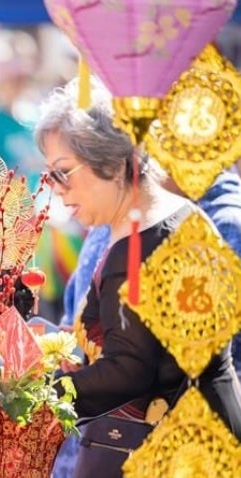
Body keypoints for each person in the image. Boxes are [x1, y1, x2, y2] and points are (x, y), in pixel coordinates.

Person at [35, 79, 241, 478]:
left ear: (111, 164)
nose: (55, 190)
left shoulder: (137, 244)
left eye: (62, 174)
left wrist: (40, 395)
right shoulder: (177, 212)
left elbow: (128, 370)